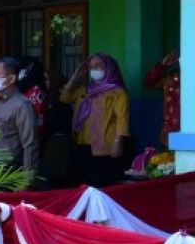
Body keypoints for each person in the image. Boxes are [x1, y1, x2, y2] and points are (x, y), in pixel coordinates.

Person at [61, 53, 131, 187]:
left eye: (98, 66)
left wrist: (118, 142)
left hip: (105, 146)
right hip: (82, 143)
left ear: (109, 68)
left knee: (103, 185)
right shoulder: (85, 90)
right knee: (85, 185)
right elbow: (65, 98)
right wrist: (75, 77)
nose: (94, 69)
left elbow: (122, 119)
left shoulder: (117, 92)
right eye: (91, 67)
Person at [144, 50, 180, 149]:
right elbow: (149, 82)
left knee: (187, 160)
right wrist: (163, 65)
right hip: (170, 131)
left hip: (189, 131)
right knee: (171, 162)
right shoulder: (172, 78)